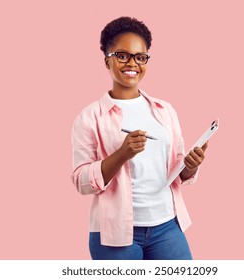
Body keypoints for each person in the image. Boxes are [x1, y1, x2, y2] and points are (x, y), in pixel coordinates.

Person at [71, 16, 208, 260]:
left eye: (140, 57)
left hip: (167, 226)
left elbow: (177, 168)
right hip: (115, 235)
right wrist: (122, 154)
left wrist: (189, 166)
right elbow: (81, 181)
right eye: (122, 55)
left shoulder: (165, 110)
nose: (132, 63)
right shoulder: (90, 117)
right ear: (107, 61)